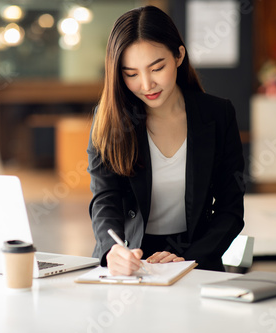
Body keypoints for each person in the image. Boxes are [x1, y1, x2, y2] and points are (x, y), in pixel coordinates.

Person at [87, 5, 245, 275]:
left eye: (157, 67)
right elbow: (105, 197)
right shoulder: (110, 119)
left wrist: (190, 259)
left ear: (179, 56)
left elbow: (230, 208)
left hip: (198, 258)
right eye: (131, 74)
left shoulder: (218, 115)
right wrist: (112, 249)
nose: (146, 84)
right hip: (132, 260)